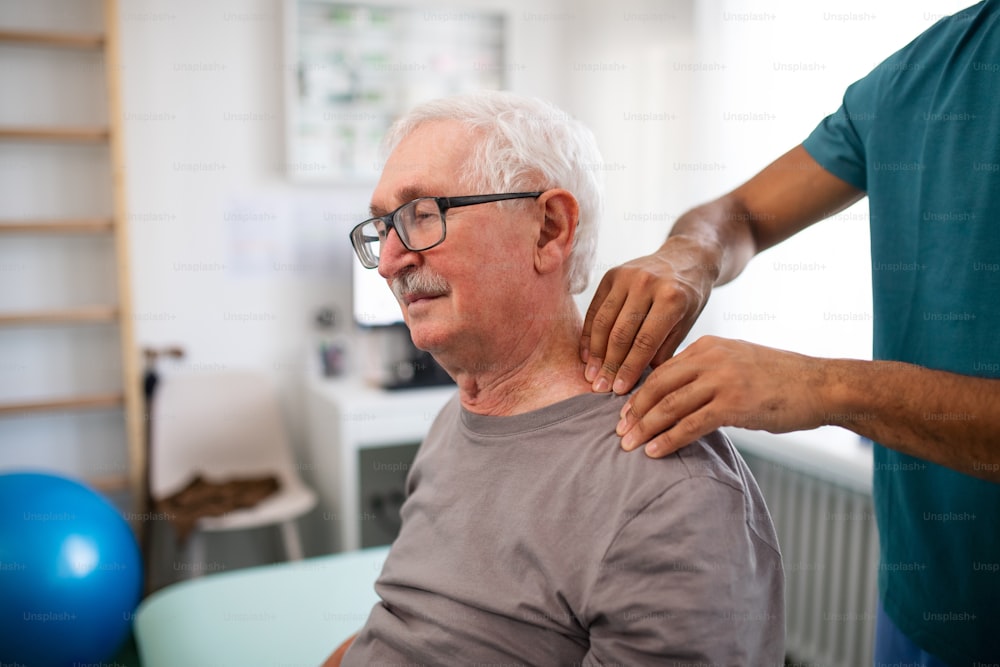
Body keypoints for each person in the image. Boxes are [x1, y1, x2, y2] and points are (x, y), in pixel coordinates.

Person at [580, 3, 1000, 665]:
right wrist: (691, 254)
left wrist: (823, 386)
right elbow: (740, 213)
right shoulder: (918, 75)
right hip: (918, 607)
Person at [327, 91, 785, 666]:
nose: (390, 259)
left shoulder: (668, 494)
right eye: (383, 226)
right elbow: (407, 624)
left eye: (422, 215)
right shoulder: (457, 419)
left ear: (548, 229)